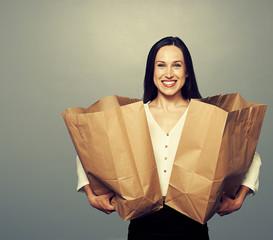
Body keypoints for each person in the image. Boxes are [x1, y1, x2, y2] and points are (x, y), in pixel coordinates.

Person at [75, 36, 262, 239]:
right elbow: (91, 151)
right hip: (142, 227)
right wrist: (90, 195)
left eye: (177, 65)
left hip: (192, 227)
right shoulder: (134, 116)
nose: (169, 73)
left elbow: (247, 154)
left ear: (187, 71)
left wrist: (239, 198)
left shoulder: (206, 116)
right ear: (152, 71)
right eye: (161, 65)